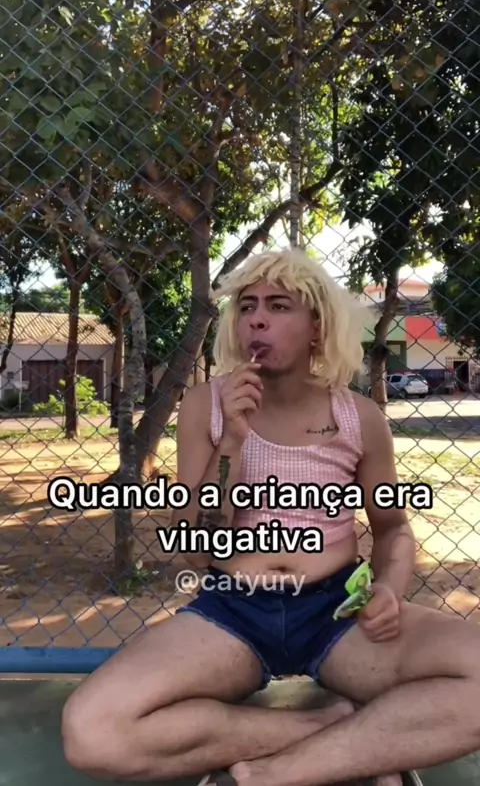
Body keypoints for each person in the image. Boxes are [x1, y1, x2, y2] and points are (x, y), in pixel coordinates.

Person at [61, 248, 480, 786]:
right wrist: (232, 442)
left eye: (279, 306)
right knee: (92, 732)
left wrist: (391, 589)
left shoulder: (359, 417)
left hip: (336, 611)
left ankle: (278, 771)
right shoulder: (205, 406)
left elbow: (393, 527)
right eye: (247, 306)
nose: (257, 319)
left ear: (317, 327)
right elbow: (194, 549)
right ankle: (327, 730)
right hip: (233, 610)